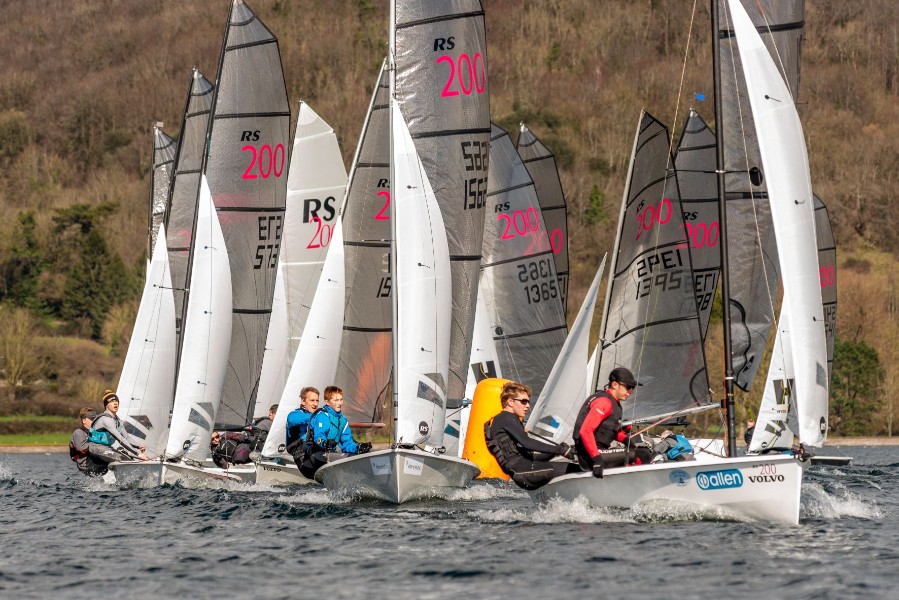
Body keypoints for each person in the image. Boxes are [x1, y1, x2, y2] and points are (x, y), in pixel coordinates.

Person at [483, 381, 581, 490]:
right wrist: (560, 450)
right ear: (510, 402)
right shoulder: (507, 418)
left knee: (569, 468)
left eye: (528, 402)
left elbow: (532, 456)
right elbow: (528, 443)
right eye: (523, 402)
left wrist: (558, 452)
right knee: (576, 468)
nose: (528, 406)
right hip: (524, 471)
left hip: (522, 473)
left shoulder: (503, 420)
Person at [573, 367, 653, 478]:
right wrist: (596, 459)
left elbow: (609, 431)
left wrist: (627, 441)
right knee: (643, 455)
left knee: (640, 450)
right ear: (615, 385)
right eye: (628, 387)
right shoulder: (604, 402)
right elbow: (585, 431)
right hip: (591, 456)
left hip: (598, 453)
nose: (631, 391)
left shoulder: (616, 405)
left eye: (633, 388)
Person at [300, 386, 371, 478]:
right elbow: (318, 437)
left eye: (341, 400)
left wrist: (359, 447)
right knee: (347, 460)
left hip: (330, 453)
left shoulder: (343, 421)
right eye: (336, 400)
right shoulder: (322, 416)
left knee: (362, 455)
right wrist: (325, 443)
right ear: (327, 402)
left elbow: (347, 445)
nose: (340, 403)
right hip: (315, 454)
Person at [87, 391, 148, 466]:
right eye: (112, 401)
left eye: (116, 401)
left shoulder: (118, 421)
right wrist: (138, 454)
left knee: (130, 460)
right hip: (95, 448)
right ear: (106, 405)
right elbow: (120, 439)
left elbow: (126, 437)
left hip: (107, 448)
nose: (116, 403)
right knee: (124, 460)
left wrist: (138, 446)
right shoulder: (105, 419)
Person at [69, 407, 107, 477]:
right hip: (85, 464)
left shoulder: (95, 432)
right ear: (84, 421)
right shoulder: (78, 432)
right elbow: (81, 448)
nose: (94, 421)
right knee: (108, 465)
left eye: (95, 419)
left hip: (95, 460)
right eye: (91, 419)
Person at [285, 387, 319, 457]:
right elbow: (293, 420)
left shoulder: (318, 415)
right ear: (303, 401)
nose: (315, 404)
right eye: (312, 400)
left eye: (317, 401)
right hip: (297, 452)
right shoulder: (294, 414)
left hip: (312, 451)